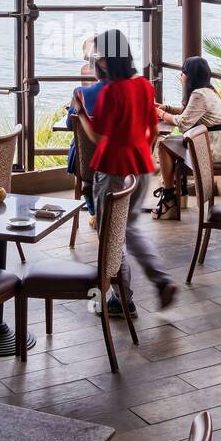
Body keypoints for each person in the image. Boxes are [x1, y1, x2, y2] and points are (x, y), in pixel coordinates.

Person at [72, 28, 178, 317]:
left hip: (112, 169)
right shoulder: (143, 85)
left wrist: (80, 112)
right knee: (128, 228)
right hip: (141, 168)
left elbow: (97, 138)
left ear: (105, 60)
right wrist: (140, 155)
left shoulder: (110, 92)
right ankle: (161, 279)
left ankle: (122, 299)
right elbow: (153, 131)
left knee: (112, 234)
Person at [153, 55, 221, 216]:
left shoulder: (199, 95)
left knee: (164, 146)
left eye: (183, 72)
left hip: (211, 151)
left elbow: (182, 123)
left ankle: (169, 198)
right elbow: (190, 112)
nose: (181, 76)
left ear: (189, 75)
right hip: (219, 146)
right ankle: (180, 194)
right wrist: (166, 107)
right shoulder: (209, 91)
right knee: (171, 143)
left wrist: (159, 112)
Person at [66, 36, 107, 224]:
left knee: (77, 146)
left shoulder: (81, 93)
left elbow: (69, 124)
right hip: (122, 159)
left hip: (89, 161)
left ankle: (94, 211)